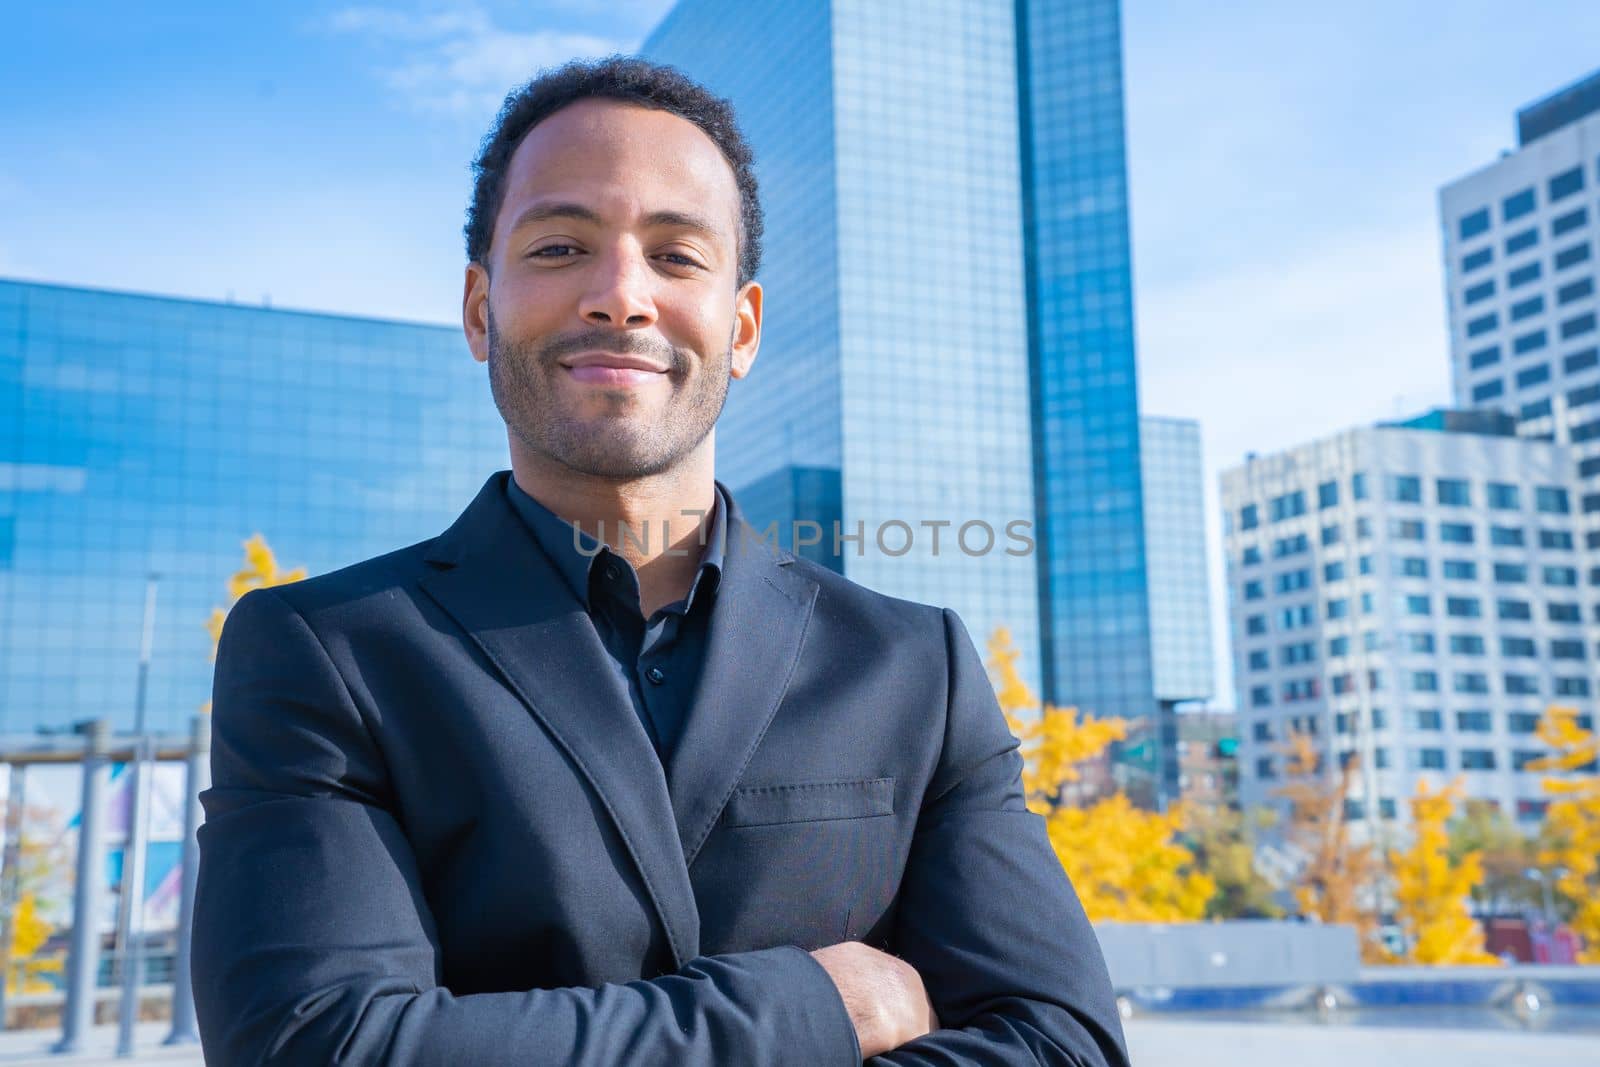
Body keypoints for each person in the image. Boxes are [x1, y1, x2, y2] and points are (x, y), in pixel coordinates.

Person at [192, 56, 1128, 1066]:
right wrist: (809, 1004)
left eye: (677, 257)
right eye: (560, 246)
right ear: (479, 308)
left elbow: (1062, 1042)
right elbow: (318, 1046)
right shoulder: (325, 650)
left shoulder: (916, 666)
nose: (619, 295)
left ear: (743, 325)